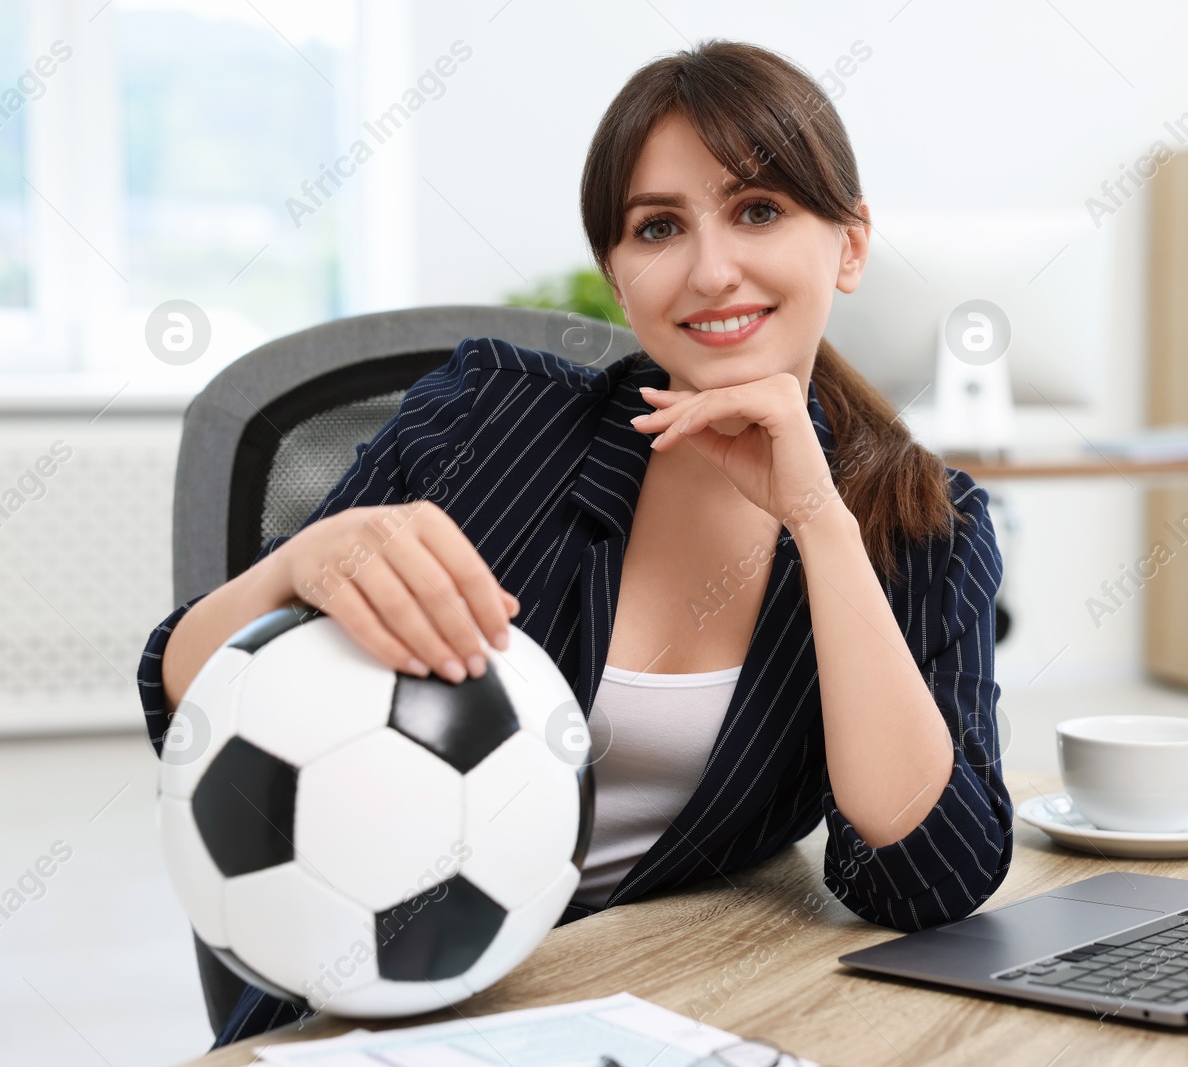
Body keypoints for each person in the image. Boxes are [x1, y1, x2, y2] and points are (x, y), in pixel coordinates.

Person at [138, 38, 1011, 1049]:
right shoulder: (485, 418)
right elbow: (188, 707)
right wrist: (300, 564)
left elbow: (923, 877)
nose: (710, 268)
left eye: (759, 209)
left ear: (850, 244)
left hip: (659, 1010)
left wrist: (818, 520)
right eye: (658, 227)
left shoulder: (922, 525)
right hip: (376, 1011)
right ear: (618, 271)